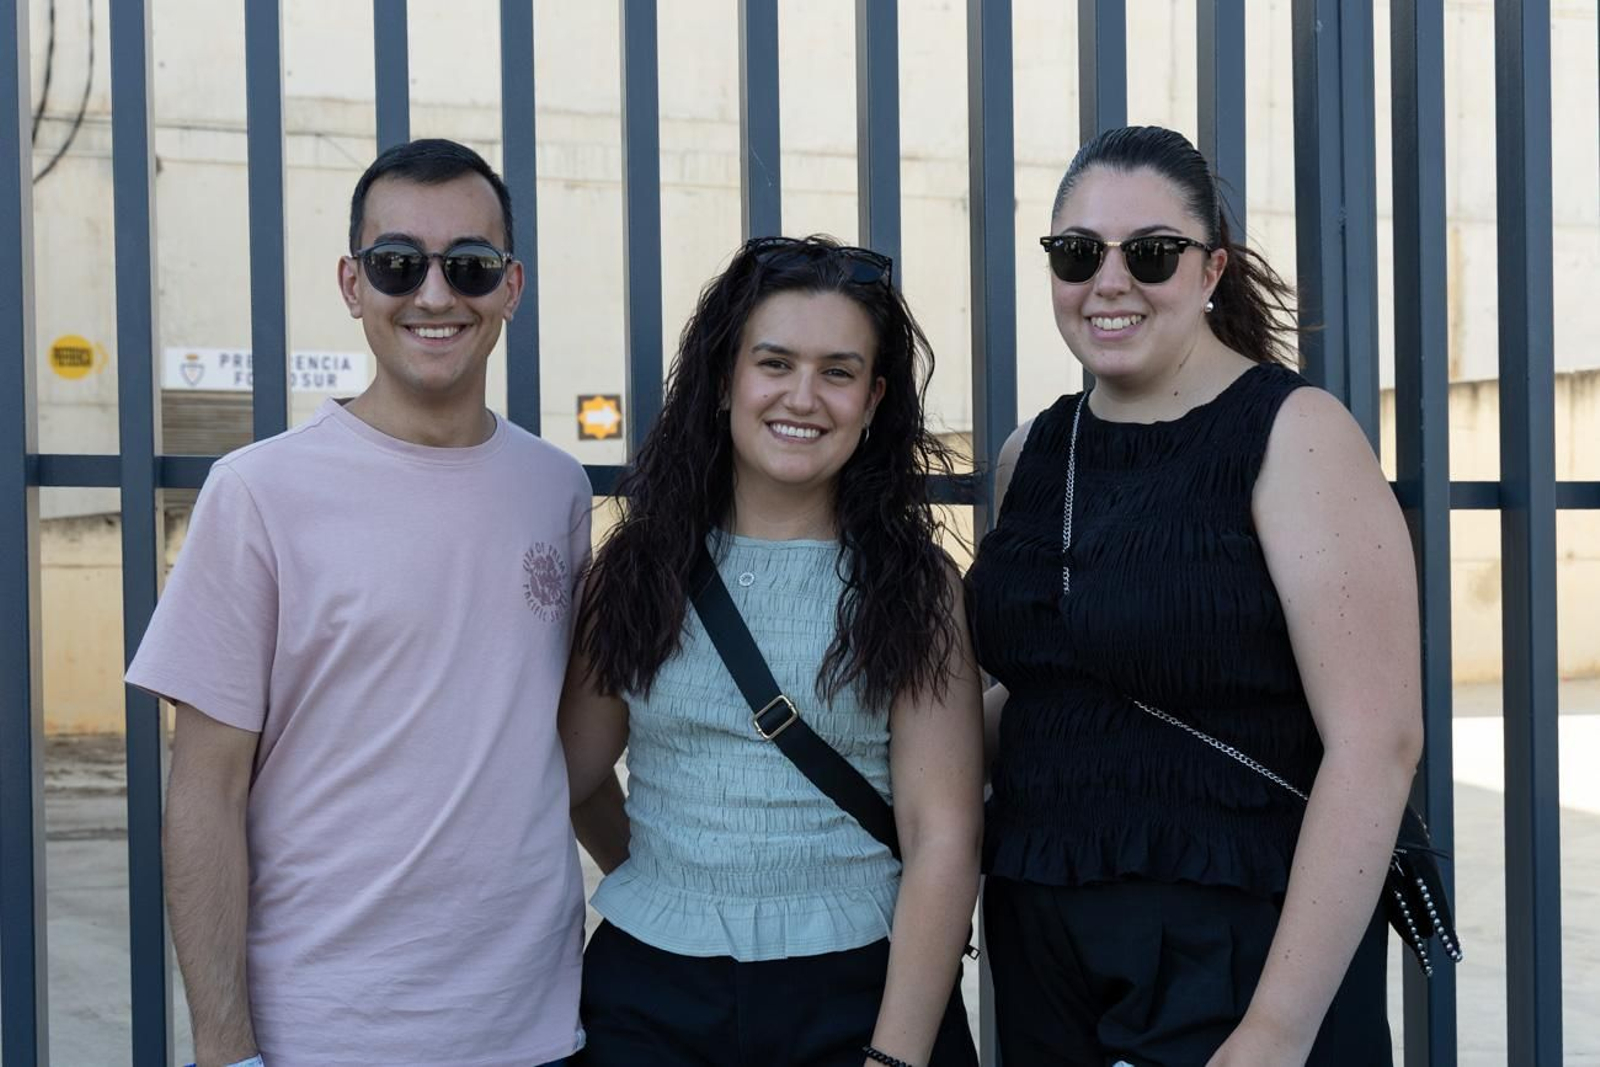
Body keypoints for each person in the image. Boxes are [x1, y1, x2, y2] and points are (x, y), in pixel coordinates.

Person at [128, 139, 592, 1067]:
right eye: (395, 264)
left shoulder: (557, 488)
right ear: (351, 282)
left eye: (469, 266)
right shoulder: (258, 492)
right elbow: (207, 791)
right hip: (327, 1035)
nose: (432, 295)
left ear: (511, 286)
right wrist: (227, 1050)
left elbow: (562, 745)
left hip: (535, 1029)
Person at [967, 125, 1424, 1066]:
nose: (1111, 279)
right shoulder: (1033, 453)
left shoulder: (1294, 435)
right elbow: (1058, 684)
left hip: (1231, 951)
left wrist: (1274, 1031)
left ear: (1211, 269)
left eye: (1152, 254)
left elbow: (1377, 742)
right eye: (1078, 252)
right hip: (1045, 945)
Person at [558, 235, 983, 1067]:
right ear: (726, 382)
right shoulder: (637, 566)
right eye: (775, 363)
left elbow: (945, 835)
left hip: (860, 992)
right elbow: (573, 776)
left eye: (838, 370)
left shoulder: (917, 584)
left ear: (873, 398)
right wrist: (674, 880)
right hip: (649, 994)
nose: (803, 396)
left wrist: (894, 1058)